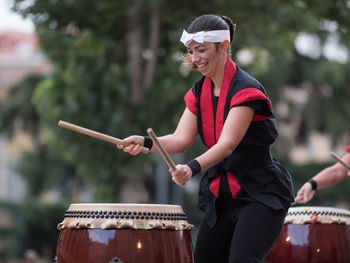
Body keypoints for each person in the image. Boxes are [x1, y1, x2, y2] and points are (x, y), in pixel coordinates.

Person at [118, 14, 294, 263]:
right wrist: (144, 142)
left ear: (224, 46)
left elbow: (227, 144)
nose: (194, 58)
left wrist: (190, 168)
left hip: (259, 191)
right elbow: (180, 139)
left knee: (242, 259)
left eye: (201, 50)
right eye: (191, 51)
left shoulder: (247, 90)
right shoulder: (199, 91)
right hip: (221, 195)